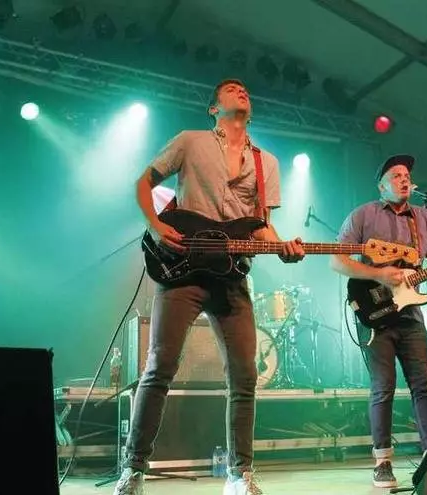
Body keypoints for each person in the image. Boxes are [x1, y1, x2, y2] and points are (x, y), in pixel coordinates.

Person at [114, 79, 305, 495]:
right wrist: (156, 225)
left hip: (231, 277)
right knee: (159, 368)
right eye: (231, 88)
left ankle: (239, 475)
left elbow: (261, 226)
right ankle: (133, 470)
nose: (242, 90)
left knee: (245, 376)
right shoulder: (190, 141)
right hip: (182, 272)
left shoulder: (266, 162)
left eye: (245, 89)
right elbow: (143, 183)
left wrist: (281, 247)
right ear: (213, 108)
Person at [330, 155, 427, 488]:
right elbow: (337, 261)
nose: (404, 179)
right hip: (374, 313)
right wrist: (378, 275)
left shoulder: (425, 218)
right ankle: (382, 462)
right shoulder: (363, 215)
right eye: (396, 175)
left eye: (407, 175)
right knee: (383, 386)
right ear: (382, 186)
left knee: (424, 384)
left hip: (411, 313)